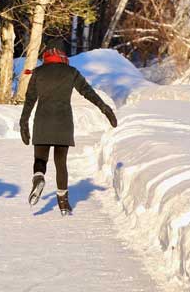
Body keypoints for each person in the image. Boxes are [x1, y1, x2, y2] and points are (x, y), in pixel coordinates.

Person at [19, 38, 117, 215]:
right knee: (60, 163)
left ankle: (39, 178)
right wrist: (105, 108)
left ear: (47, 52)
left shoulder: (38, 73)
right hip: (63, 123)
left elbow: (30, 100)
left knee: (40, 159)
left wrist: (23, 122)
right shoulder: (71, 72)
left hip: (42, 122)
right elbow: (88, 93)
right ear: (63, 53)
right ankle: (63, 203)